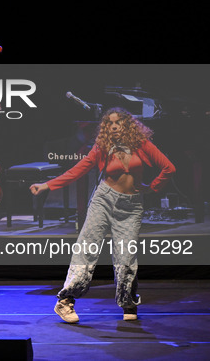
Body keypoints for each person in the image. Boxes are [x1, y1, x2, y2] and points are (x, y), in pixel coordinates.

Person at [30, 107, 175, 323]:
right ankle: (65, 301)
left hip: (131, 206)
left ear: (128, 124)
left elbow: (169, 168)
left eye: (118, 123)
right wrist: (47, 185)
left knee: (126, 257)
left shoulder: (142, 144)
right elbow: (77, 170)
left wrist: (152, 188)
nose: (114, 126)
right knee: (87, 250)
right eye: (110, 123)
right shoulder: (102, 147)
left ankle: (128, 302)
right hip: (103, 200)